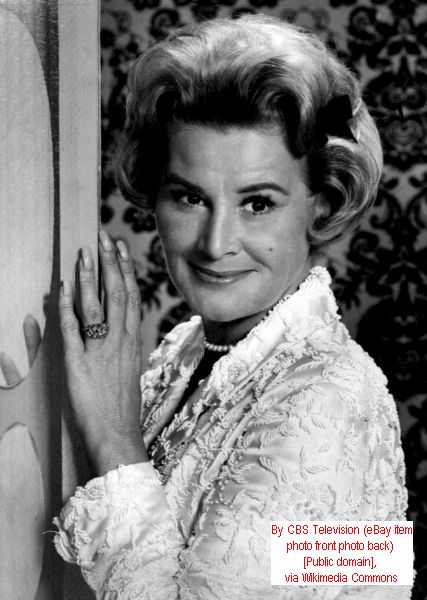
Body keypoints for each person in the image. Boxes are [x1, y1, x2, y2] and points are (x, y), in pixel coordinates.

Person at [53, 14, 412, 599]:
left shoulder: (332, 400)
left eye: (258, 204)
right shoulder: (186, 350)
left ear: (322, 204)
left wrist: (115, 438)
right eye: (190, 197)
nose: (215, 244)